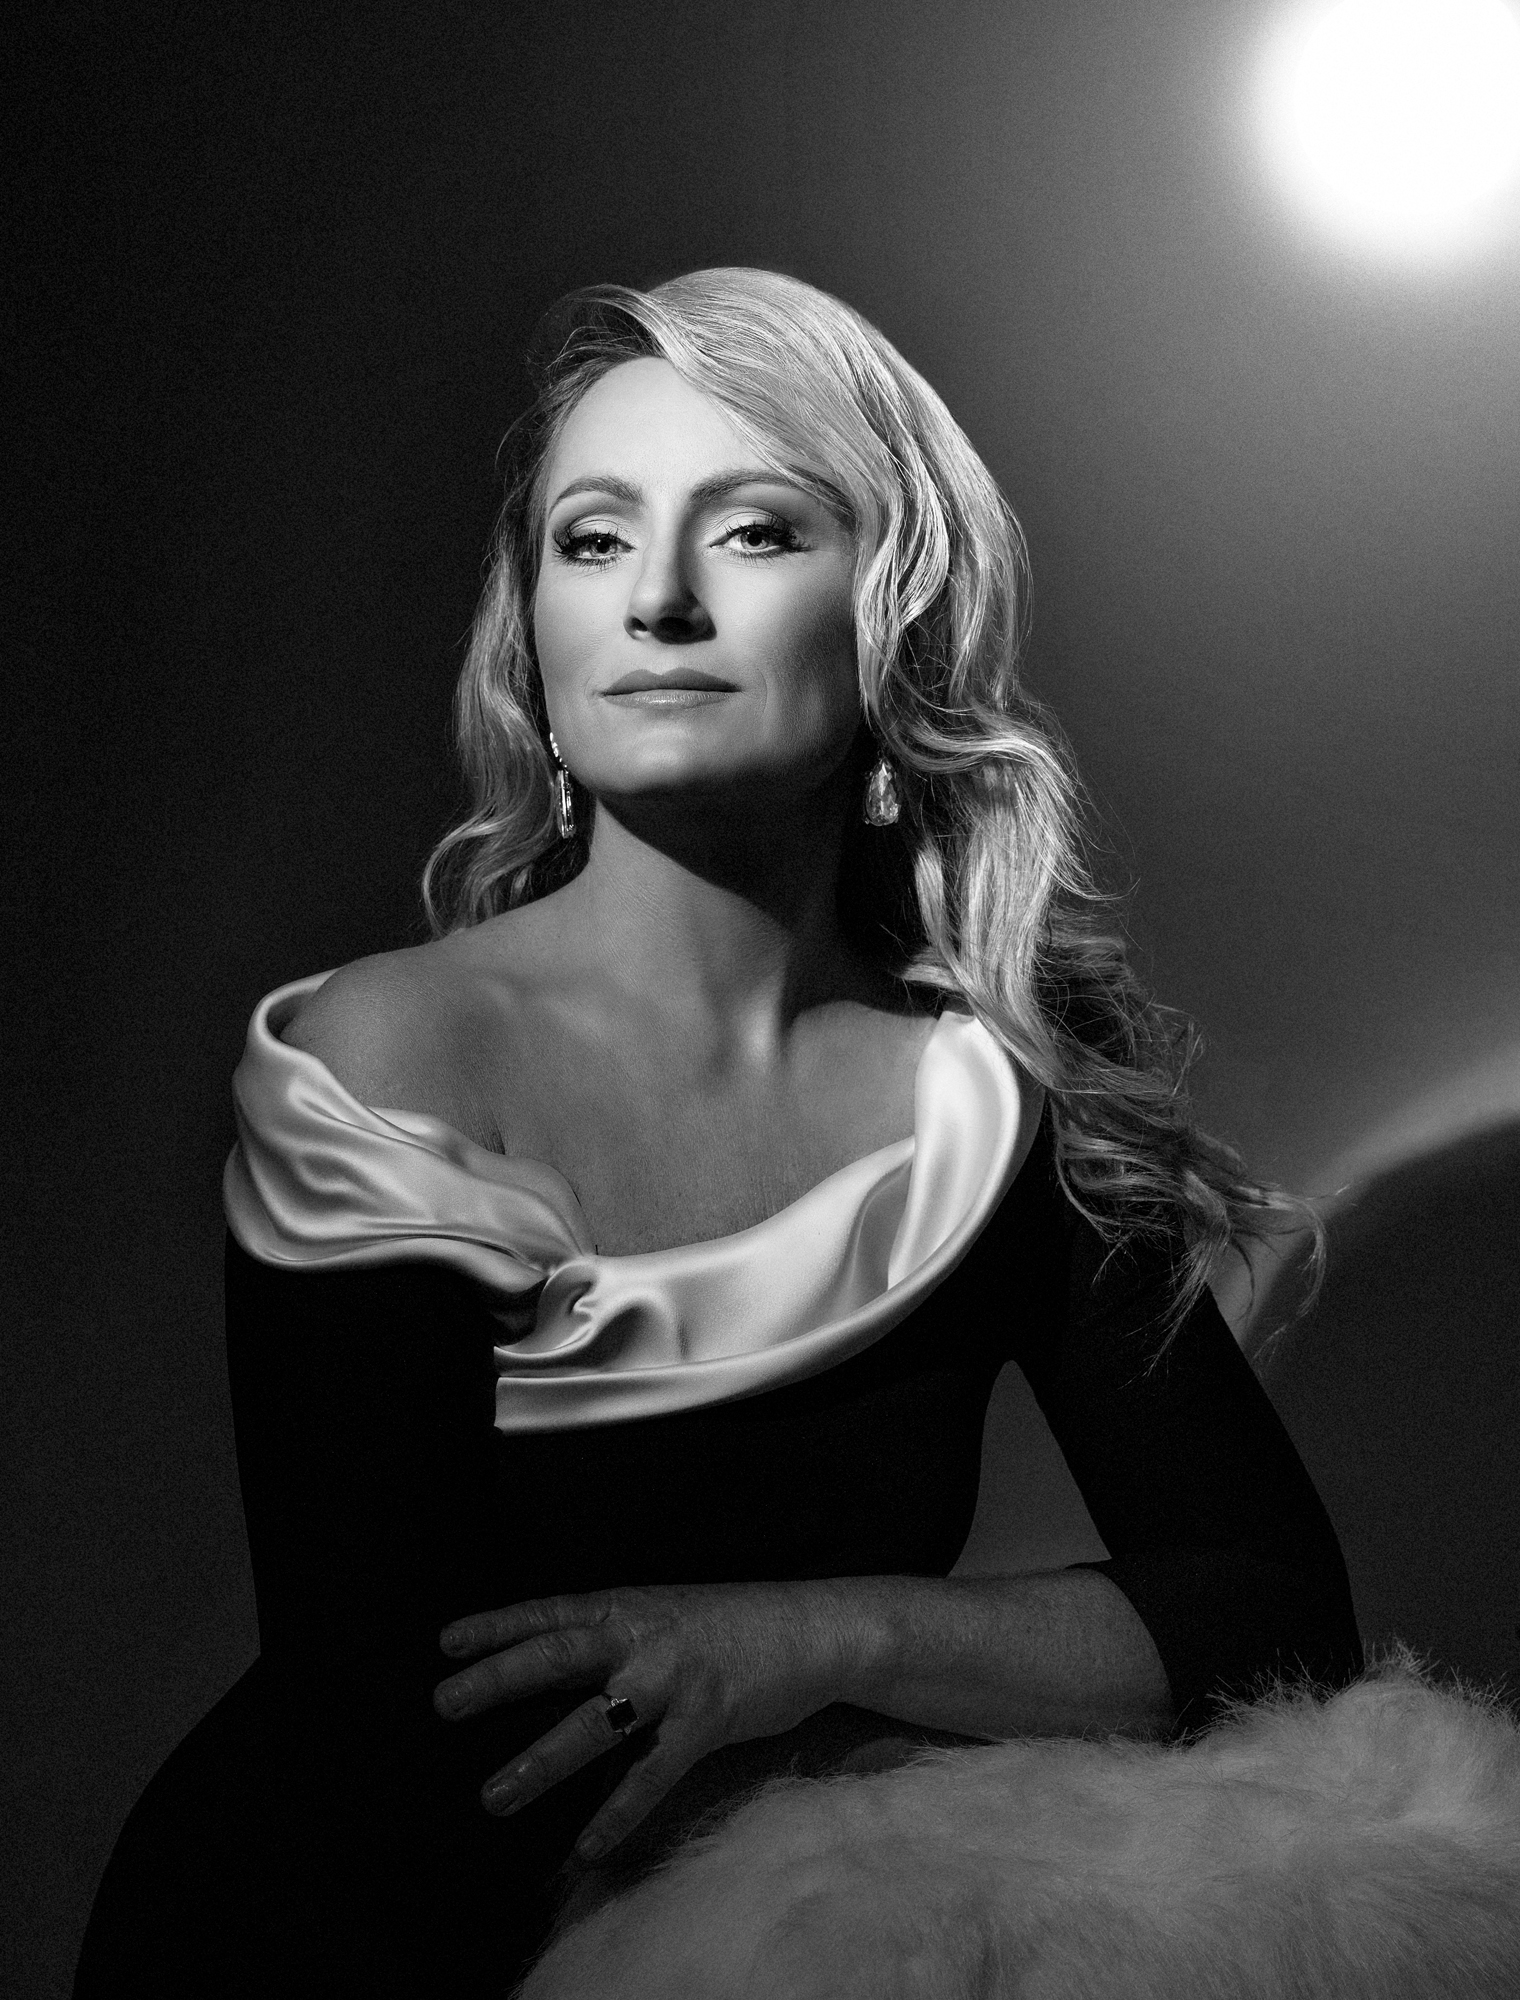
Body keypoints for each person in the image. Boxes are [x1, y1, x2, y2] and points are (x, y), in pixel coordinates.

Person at [74, 268, 1359, 1998]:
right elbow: (391, 1716)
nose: (657, 600)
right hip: (342, 1937)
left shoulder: (997, 1091)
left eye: (752, 533)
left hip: (768, 1924)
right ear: (531, 630)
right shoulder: (392, 1052)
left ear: (897, 614)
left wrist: (819, 1635)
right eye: (593, 540)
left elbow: (1269, 1614)